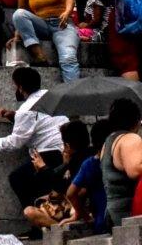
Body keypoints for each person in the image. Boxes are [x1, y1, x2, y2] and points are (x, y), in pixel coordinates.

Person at [0, 67, 68, 210]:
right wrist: (13, 115)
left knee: (18, 179)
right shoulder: (50, 97)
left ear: (20, 87)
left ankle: (37, 218)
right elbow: (38, 120)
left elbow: (14, 142)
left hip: (49, 156)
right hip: (65, 151)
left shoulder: (26, 110)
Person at [13, 0, 80, 82]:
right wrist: (17, 35)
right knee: (18, 14)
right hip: (42, 25)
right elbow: (22, 9)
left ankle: (73, 95)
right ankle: (38, 55)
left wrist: (67, 12)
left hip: (62, 25)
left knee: (68, 58)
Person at [20, 120, 92, 238]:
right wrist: (64, 165)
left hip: (81, 208)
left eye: (63, 144)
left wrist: (43, 168)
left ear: (67, 146)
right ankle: (61, 229)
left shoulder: (82, 161)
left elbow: (66, 188)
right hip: (66, 207)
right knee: (30, 211)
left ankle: (65, 232)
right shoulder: (74, 159)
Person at [62, 119, 113, 233]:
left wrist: (83, 214)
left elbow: (71, 193)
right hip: (121, 218)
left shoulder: (89, 164)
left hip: (100, 221)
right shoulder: (118, 161)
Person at [101, 98, 142, 228]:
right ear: (136, 120)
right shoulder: (130, 139)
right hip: (129, 215)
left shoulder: (108, 141)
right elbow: (135, 171)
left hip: (113, 213)